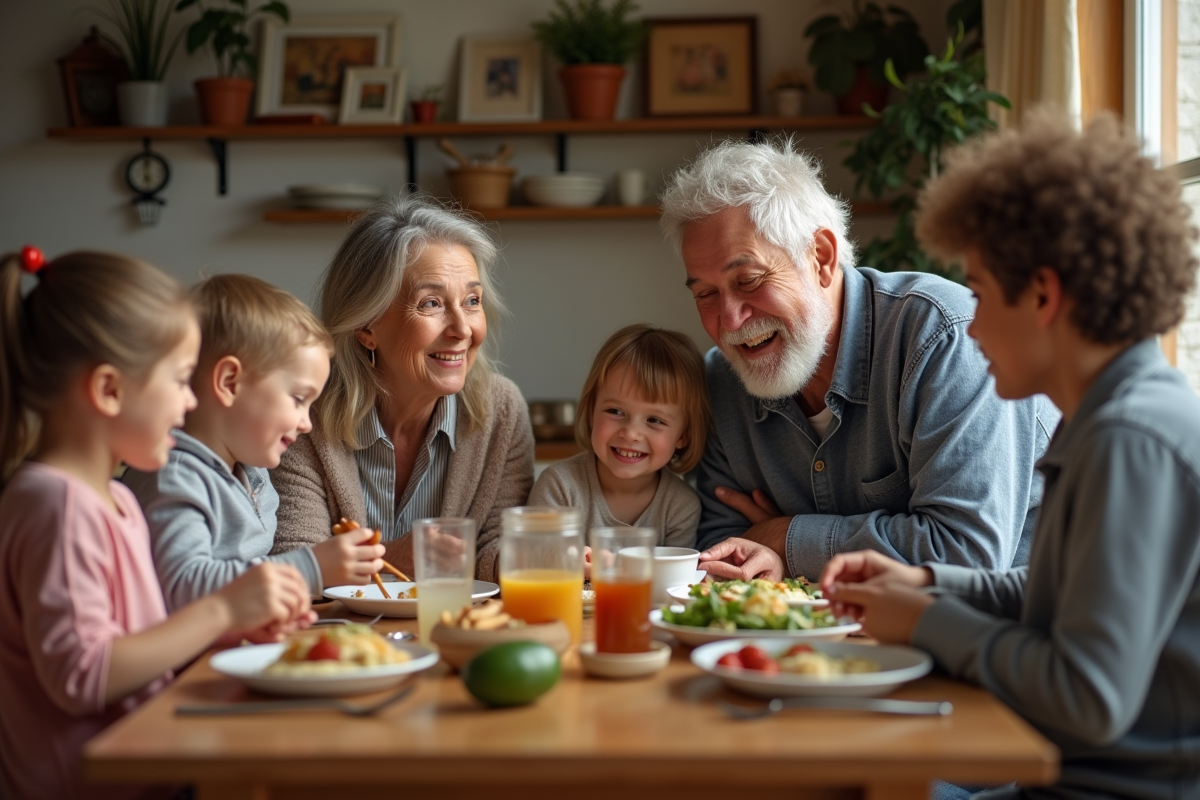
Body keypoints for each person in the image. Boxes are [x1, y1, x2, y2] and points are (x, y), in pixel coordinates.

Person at [822, 110, 1200, 799]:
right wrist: (929, 586)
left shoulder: (1130, 440)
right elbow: (1062, 595)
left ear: (1043, 295)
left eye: (980, 292)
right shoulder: (1102, 418)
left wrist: (931, 622)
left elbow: (1088, 694)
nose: (971, 321)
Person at [657, 137, 1058, 583]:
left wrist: (786, 538)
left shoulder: (945, 337)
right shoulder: (721, 379)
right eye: (706, 294)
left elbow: (963, 556)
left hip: (998, 637)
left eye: (749, 280)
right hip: (819, 642)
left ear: (822, 258)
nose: (729, 320)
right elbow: (723, 554)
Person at [0, 250, 314, 800]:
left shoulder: (114, 498)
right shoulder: (58, 505)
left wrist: (233, 626)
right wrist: (221, 607)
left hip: (149, 771)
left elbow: (139, 642)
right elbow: (84, 676)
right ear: (109, 390)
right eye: (178, 380)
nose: (191, 401)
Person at [271, 195, 534, 582]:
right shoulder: (304, 414)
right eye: (431, 304)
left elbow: (493, 548)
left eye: (472, 301)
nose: (462, 329)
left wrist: (536, 557)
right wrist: (393, 557)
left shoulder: (502, 410)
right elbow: (294, 566)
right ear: (366, 326)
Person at [123, 274, 384, 612]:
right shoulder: (175, 477)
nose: (307, 423)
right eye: (298, 398)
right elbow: (183, 587)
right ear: (230, 382)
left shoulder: (254, 475)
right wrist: (310, 568)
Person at [528, 324, 711, 572]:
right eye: (615, 412)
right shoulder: (559, 487)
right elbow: (530, 567)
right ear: (592, 410)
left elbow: (671, 588)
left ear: (683, 435)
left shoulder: (680, 507)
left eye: (654, 420)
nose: (631, 433)